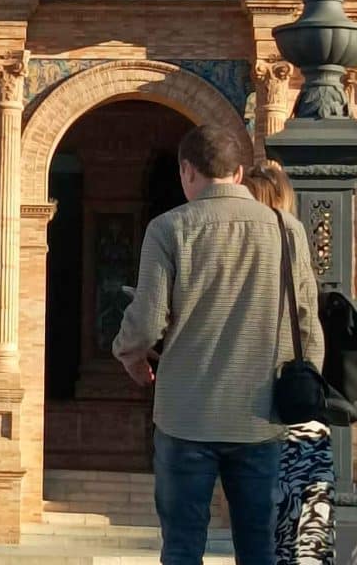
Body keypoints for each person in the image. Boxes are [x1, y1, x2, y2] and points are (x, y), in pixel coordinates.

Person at [112, 125, 324, 564]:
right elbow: (307, 324)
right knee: (257, 544)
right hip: (259, 417)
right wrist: (301, 387)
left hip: (185, 417)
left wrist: (131, 357)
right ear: (240, 171)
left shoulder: (167, 229)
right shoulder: (287, 230)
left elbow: (147, 322)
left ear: (187, 171)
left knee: (183, 546)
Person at [244, 165, 335, 565]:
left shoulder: (240, 252)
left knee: (261, 535)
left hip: (250, 415)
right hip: (297, 410)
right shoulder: (294, 241)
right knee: (307, 540)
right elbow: (310, 332)